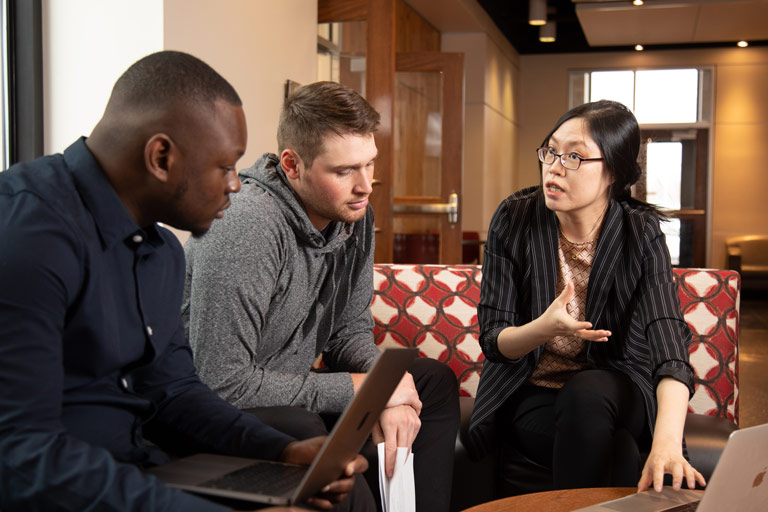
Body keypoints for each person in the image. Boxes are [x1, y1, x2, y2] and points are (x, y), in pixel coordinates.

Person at [0, 51, 367, 512]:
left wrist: (281, 451)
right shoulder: (28, 235)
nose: (236, 185)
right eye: (226, 166)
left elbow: (172, 394)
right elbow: (22, 456)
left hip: (135, 470)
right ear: (161, 156)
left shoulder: (160, 253)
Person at [182, 81, 460, 511]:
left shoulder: (353, 214)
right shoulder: (248, 226)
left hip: (288, 393)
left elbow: (347, 332)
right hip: (217, 413)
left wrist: (387, 388)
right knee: (301, 425)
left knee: (432, 382)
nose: (365, 186)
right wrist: (360, 389)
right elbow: (222, 383)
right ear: (292, 165)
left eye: (370, 165)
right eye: (344, 171)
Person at [467, 100, 707, 495]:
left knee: (589, 392)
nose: (555, 166)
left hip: (619, 385)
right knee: (621, 450)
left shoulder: (640, 233)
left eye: (575, 156)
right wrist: (541, 329)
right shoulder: (514, 219)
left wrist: (666, 442)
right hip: (533, 392)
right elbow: (494, 341)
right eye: (552, 150)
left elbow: (668, 340)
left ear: (612, 171)